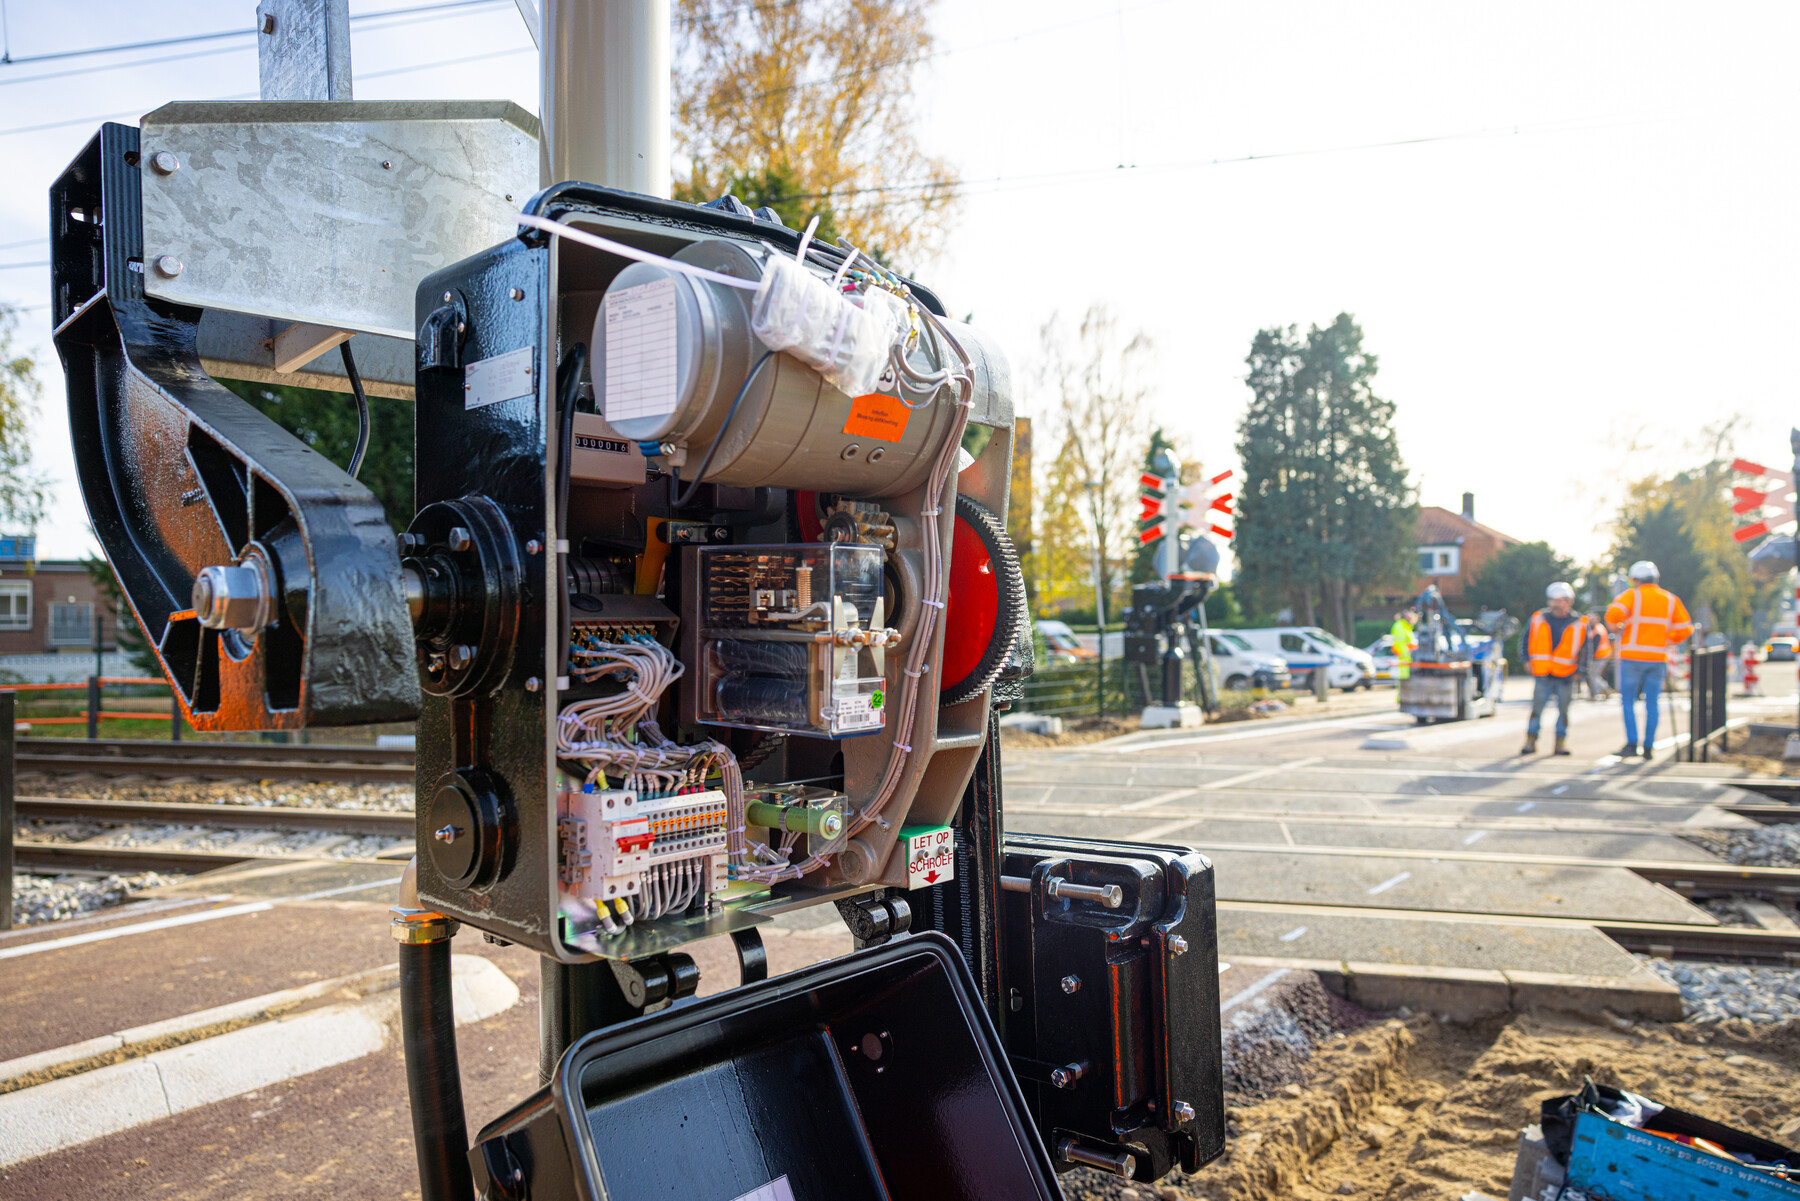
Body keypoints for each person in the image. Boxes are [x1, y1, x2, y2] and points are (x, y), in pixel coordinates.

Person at [1604, 560, 1693, 760]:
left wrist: (1616, 627)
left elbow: (1613, 614)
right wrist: (1669, 640)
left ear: (1635, 579)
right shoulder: (1670, 599)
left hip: (1632, 657)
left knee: (1628, 701)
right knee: (1652, 703)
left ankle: (1631, 744)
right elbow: (1686, 628)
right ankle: (1648, 747)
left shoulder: (1632, 595)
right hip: (1657, 657)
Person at [1520, 582, 1601, 755]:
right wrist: (1526, 660)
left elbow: (1586, 649)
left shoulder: (1580, 622)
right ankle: (1531, 740)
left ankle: (1560, 742)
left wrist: (1581, 671)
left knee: (1563, 711)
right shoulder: (1538, 618)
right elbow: (1526, 640)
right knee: (1536, 709)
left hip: (1566, 674)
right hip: (1543, 672)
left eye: (1560, 601)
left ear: (1569, 601)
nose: (1556, 604)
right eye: (1553, 600)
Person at [1389, 608, 1417, 693]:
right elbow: (1399, 643)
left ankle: (1404, 696)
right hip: (1405, 659)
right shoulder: (1400, 626)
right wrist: (1408, 652)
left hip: (1407, 658)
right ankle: (1403, 696)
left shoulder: (1406, 626)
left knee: (1405, 680)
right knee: (1404, 680)